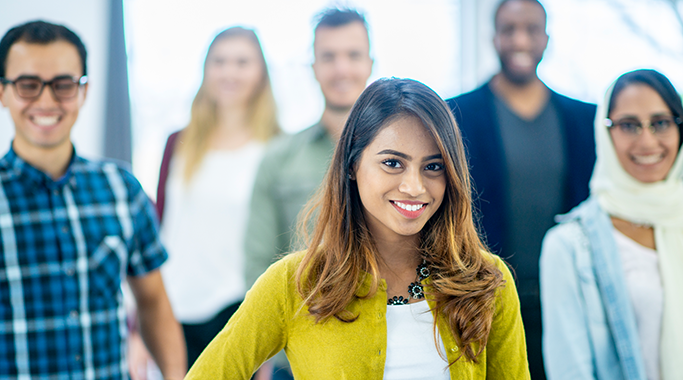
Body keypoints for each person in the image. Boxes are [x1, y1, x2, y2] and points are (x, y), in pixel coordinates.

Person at [186, 78, 530, 379]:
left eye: (433, 166)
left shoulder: (488, 281)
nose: (414, 187)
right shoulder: (294, 285)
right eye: (392, 163)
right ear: (353, 165)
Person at [0, 20, 186, 379]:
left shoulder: (121, 188)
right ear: (1, 92)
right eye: (28, 85)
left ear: (84, 91)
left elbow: (153, 302)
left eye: (63, 85)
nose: (46, 101)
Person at [445, 1, 596, 377]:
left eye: (531, 29)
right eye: (509, 29)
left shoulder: (583, 120)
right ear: (494, 37)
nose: (520, 39)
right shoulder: (457, 116)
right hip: (483, 303)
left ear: (546, 37)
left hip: (567, 304)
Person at [242, 8, 373, 378]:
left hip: (384, 349)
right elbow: (258, 263)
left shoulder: (403, 160)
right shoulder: (279, 160)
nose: (341, 69)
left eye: (352, 55)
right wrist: (265, 354)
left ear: (370, 62)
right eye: (328, 57)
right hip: (297, 358)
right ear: (313, 67)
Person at [540, 69, 683, 380]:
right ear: (605, 132)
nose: (647, 141)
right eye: (629, 125)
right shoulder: (569, 247)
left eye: (661, 123)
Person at [154, 26, 279, 368]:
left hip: (237, 312)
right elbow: (160, 228)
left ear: (261, 73)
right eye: (220, 61)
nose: (229, 72)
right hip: (172, 313)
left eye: (242, 62)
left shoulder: (276, 149)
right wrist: (140, 326)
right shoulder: (177, 142)